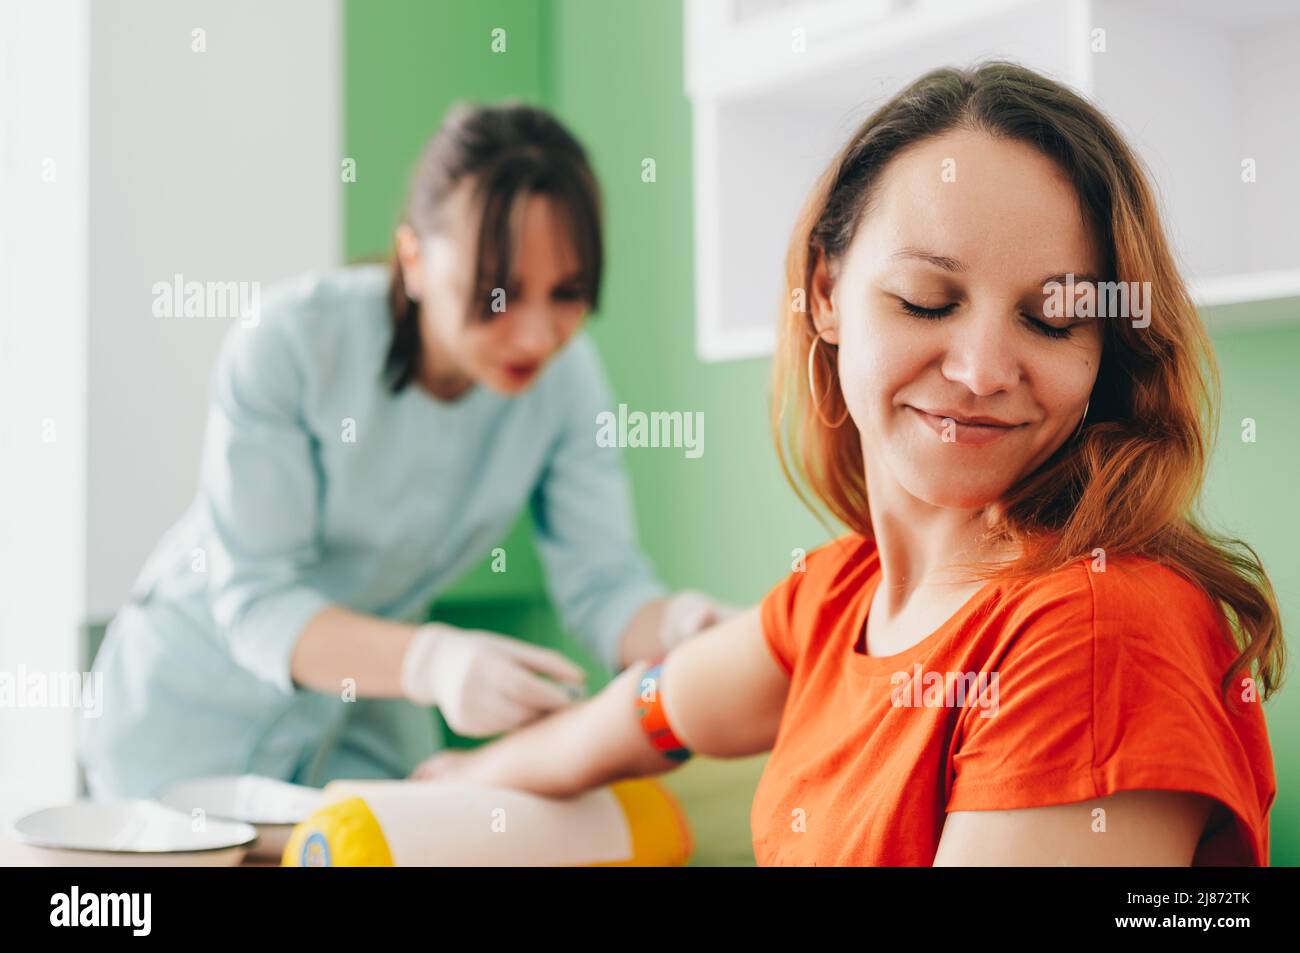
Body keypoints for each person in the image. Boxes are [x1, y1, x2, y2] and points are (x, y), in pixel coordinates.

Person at [409, 64, 1283, 866]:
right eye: (927, 301)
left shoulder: (1099, 631)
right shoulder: (838, 596)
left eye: (1054, 320)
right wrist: (463, 784)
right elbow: (650, 708)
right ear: (825, 294)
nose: (981, 371)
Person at [79, 101, 732, 800]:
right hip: (184, 714)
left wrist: (681, 627)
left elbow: (603, 585)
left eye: (568, 293)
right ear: (415, 259)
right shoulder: (290, 342)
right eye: (499, 294)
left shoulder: (567, 382)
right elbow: (260, 602)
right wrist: (433, 664)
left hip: (358, 726)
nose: (538, 335)